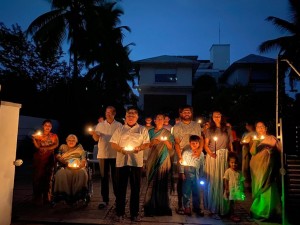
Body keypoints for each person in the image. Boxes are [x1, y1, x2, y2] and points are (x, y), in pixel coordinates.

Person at [110, 106, 150, 222]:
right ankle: (120, 212)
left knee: (135, 189)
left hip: (136, 162)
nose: (131, 117)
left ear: (137, 117)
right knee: (120, 188)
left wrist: (140, 147)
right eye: (129, 115)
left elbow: (147, 143)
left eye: (133, 115)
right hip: (122, 162)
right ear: (125, 117)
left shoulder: (142, 129)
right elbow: (113, 143)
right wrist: (121, 149)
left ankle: (134, 213)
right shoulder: (120, 129)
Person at [89, 106, 122, 209]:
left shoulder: (119, 125)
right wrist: (93, 133)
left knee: (116, 178)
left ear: (114, 113)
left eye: (110, 112)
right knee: (104, 178)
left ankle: (118, 199)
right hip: (103, 154)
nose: (107, 114)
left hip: (115, 154)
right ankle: (105, 200)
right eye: (106, 112)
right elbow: (96, 138)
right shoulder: (100, 125)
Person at [172, 105, 203, 215]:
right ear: (181, 114)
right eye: (184, 112)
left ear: (191, 113)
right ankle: (182, 205)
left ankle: (196, 206)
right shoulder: (177, 126)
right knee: (182, 180)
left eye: (188, 112)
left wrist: (199, 150)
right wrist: (180, 156)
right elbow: (176, 142)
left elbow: (200, 139)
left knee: (196, 182)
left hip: (194, 154)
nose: (186, 114)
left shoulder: (196, 125)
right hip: (182, 155)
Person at [249, 121, 281, 221]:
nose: (260, 129)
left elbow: (280, 150)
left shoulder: (272, 138)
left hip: (268, 166)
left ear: (266, 128)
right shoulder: (254, 139)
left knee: (268, 187)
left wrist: (272, 151)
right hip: (256, 168)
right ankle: (257, 210)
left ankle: (267, 212)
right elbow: (253, 152)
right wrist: (255, 143)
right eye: (258, 127)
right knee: (258, 187)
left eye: (262, 126)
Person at [203, 111, 233, 218]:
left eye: (219, 115)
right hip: (213, 157)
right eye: (214, 116)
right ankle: (213, 207)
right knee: (214, 181)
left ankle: (223, 207)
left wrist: (231, 156)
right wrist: (210, 153)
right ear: (212, 118)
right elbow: (206, 145)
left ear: (221, 117)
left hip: (224, 156)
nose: (216, 117)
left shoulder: (227, 129)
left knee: (223, 181)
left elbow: (230, 144)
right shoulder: (209, 130)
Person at [144, 114, 174, 216]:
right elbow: (146, 144)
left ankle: (162, 207)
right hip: (152, 158)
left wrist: (165, 141)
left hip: (163, 159)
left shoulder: (167, 133)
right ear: (155, 120)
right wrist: (153, 142)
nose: (160, 120)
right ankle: (149, 206)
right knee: (151, 182)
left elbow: (171, 147)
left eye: (162, 118)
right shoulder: (150, 132)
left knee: (162, 183)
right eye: (158, 118)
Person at [53, 134, 88, 205]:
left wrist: (80, 166)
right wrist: (63, 161)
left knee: (82, 173)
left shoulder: (80, 148)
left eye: (73, 140)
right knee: (60, 173)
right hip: (66, 166)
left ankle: (78, 195)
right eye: (69, 140)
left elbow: (83, 160)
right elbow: (58, 155)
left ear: (76, 141)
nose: (71, 142)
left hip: (78, 167)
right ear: (66, 141)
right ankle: (64, 195)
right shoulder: (63, 147)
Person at [32, 119, 59, 206]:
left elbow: (56, 145)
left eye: (49, 126)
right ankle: (37, 197)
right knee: (38, 177)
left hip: (49, 158)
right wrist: (34, 140)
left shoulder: (54, 136)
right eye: (46, 125)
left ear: (51, 127)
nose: (47, 127)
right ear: (43, 126)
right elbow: (37, 146)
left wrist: (47, 148)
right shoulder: (39, 135)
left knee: (48, 178)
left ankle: (46, 197)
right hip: (39, 159)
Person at [179, 135, 205, 216]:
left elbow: (202, 165)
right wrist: (182, 173)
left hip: (196, 174)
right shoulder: (186, 152)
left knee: (196, 191)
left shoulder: (201, 154)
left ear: (199, 144)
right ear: (190, 143)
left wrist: (201, 176)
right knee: (186, 191)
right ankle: (187, 207)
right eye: (192, 143)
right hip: (187, 173)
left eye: (196, 143)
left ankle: (196, 207)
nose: (194, 145)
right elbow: (181, 163)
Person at [223, 152, 245, 222]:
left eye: (235, 163)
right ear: (229, 163)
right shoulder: (228, 171)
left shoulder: (239, 172)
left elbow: (242, 181)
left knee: (234, 203)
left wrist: (243, 189)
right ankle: (231, 214)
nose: (233, 164)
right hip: (230, 190)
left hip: (237, 190)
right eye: (232, 162)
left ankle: (232, 213)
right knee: (230, 203)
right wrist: (226, 189)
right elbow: (226, 180)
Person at [240, 121, 255, 189]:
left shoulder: (255, 133)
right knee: (245, 166)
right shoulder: (246, 134)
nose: (247, 127)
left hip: (252, 152)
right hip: (245, 152)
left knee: (250, 167)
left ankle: (251, 183)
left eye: (248, 125)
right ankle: (246, 184)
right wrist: (243, 142)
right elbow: (241, 141)